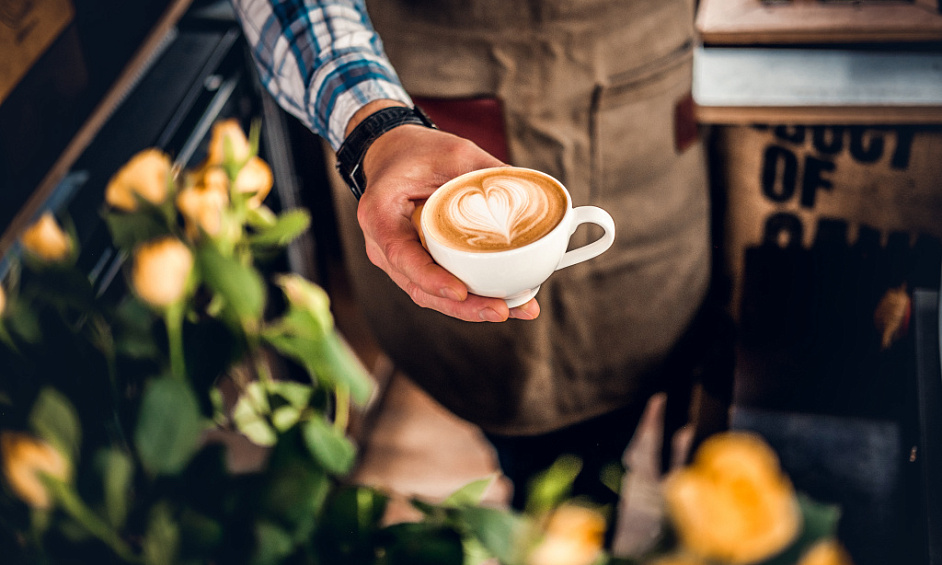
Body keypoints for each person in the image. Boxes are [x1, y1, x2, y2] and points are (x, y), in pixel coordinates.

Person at [232, 0, 723, 516]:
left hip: (646, 119)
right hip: (423, 118)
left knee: (620, 405)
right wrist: (377, 127)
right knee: (517, 430)